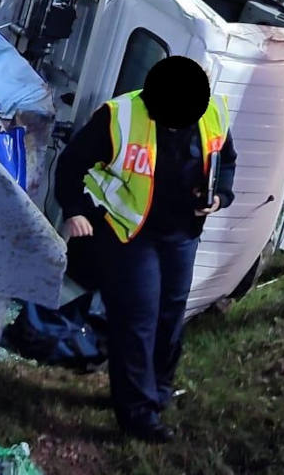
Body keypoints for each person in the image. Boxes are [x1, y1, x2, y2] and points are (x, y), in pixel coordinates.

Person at [55, 56, 236, 442]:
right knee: (138, 320)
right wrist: (75, 210)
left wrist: (219, 197)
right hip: (128, 234)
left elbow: (227, 162)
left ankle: (158, 391)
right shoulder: (119, 116)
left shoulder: (214, 112)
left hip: (182, 235)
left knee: (170, 318)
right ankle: (137, 416)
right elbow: (71, 164)